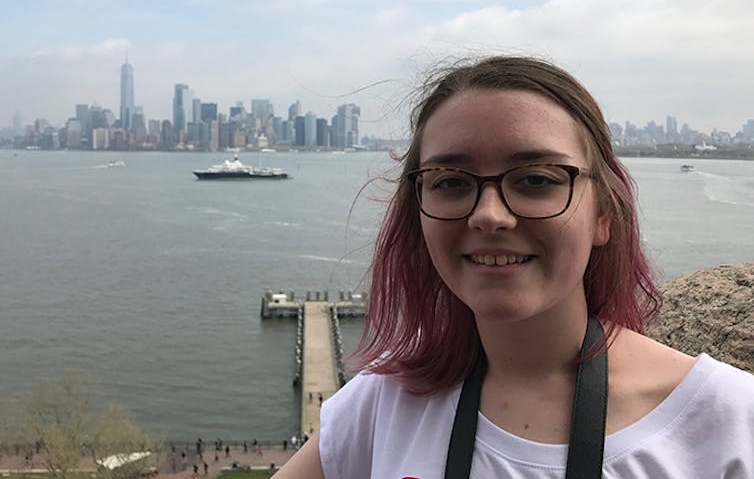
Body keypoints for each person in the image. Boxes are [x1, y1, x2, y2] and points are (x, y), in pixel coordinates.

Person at [274, 55, 754, 478]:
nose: (489, 214)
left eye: (537, 179)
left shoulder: (727, 423)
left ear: (603, 215)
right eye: (449, 181)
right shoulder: (381, 408)